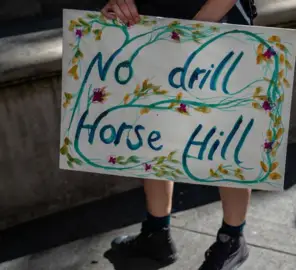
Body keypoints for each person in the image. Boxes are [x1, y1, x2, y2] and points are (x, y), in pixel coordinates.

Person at [100, 0, 256, 269]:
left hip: (217, 18)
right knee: (152, 122)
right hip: (154, 21)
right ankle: (156, 232)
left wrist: (192, 30)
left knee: (225, 133)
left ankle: (232, 238)